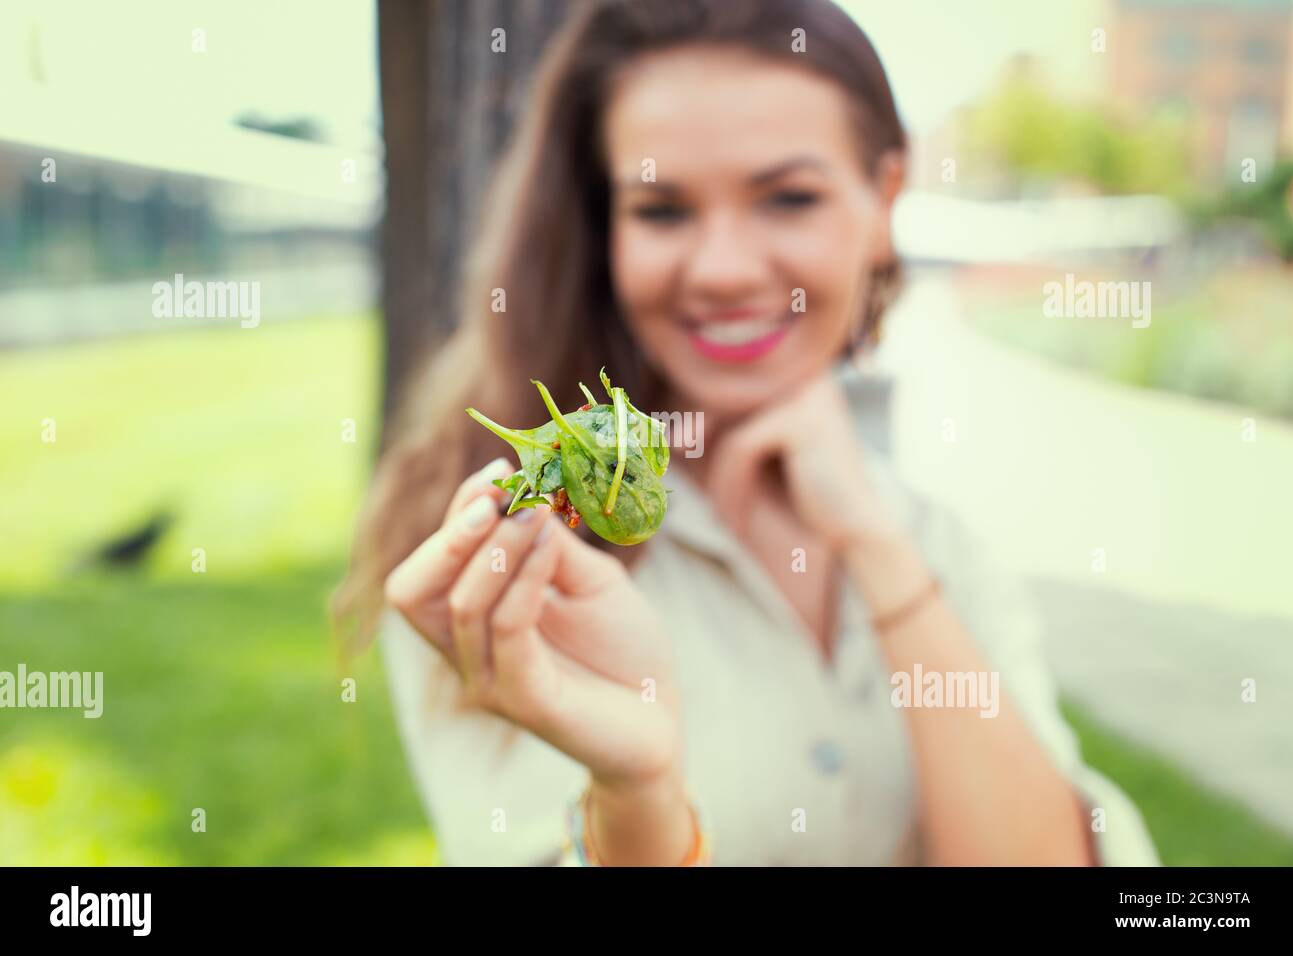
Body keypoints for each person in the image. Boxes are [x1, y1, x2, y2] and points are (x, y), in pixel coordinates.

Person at [334, 0, 1159, 866]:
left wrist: (876, 549)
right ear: (602, 222)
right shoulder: (493, 557)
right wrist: (637, 795)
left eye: (788, 198)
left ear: (883, 201)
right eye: (662, 210)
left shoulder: (938, 541)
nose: (724, 269)